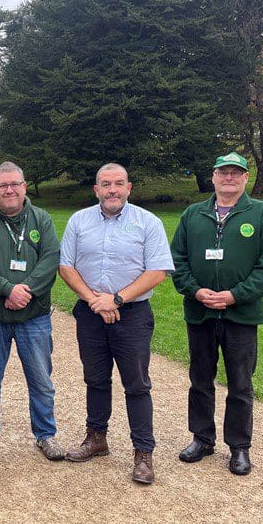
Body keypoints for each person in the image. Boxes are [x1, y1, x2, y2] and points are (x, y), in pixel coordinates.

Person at [58, 163, 173, 484]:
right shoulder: (79, 221)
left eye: (118, 184)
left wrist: (117, 299)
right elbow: (66, 266)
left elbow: (159, 270)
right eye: (105, 184)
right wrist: (96, 300)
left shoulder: (147, 223)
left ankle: (143, 453)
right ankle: (97, 438)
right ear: (96, 190)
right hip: (90, 313)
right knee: (95, 379)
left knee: (136, 384)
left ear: (129, 188)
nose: (112, 190)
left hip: (132, 315)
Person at [170, 152, 263, 476]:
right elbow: (177, 261)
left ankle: (239, 447)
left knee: (241, 384)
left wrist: (235, 295)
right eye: (223, 173)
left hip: (241, 316)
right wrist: (196, 291)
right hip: (200, 313)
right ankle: (202, 439)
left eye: (236, 173)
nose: (229, 178)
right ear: (214, 177)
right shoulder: (193, 215)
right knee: (200, 379)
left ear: (245, 178)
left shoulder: (262, 214)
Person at [0, 161, 62, 464]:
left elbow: (50, 260)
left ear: (24, 186)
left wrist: (24, 292)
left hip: (34, 316)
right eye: (2, 185)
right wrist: (8, 290)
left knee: (41, 381)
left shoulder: (41, 220)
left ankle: (46, 434)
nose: (9, 190)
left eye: (15, 184)